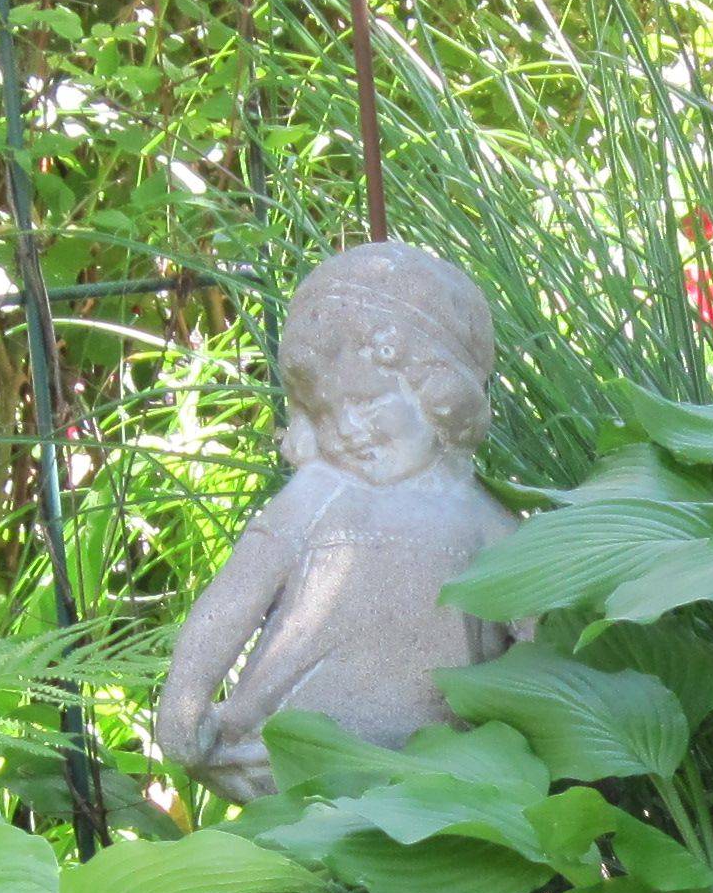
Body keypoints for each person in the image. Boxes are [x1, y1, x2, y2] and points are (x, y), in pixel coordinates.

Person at [151, 242, 514, 799]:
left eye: (367, 401)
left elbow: (542, 622)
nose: (346, 428)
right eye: (326, 409)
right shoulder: (314, 498)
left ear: (439, 391)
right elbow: (235, 598)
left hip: (446, 776)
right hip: (299, 764)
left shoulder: (479, 518)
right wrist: (185, 698)